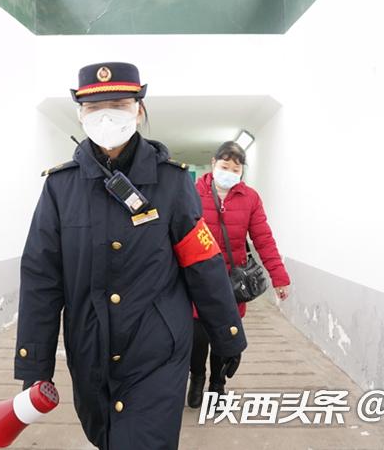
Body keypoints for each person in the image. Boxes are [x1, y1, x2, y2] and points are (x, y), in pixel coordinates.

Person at [14, 62, 247, 450]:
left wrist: (227, 335)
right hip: (89, 350)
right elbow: (42, 278)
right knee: (106, 437)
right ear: (80, 114)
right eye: (94, 107)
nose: (106, 115)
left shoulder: (172, 182)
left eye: (119, 104)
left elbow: (202, 263)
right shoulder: (60, 188)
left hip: (159, 349)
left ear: (139, 110)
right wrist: (35, 361)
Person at [186, 141, 291, 408]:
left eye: (236, 169)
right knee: (197, 337)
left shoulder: (250, 198)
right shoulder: (193, 193)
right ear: (213, 164)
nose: (229, 173)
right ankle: (197, 377)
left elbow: (263, 239)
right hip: (198, 279)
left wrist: (279, 277)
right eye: (225, 167)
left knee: (224, 337)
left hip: (231, 283)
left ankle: (217, 384)